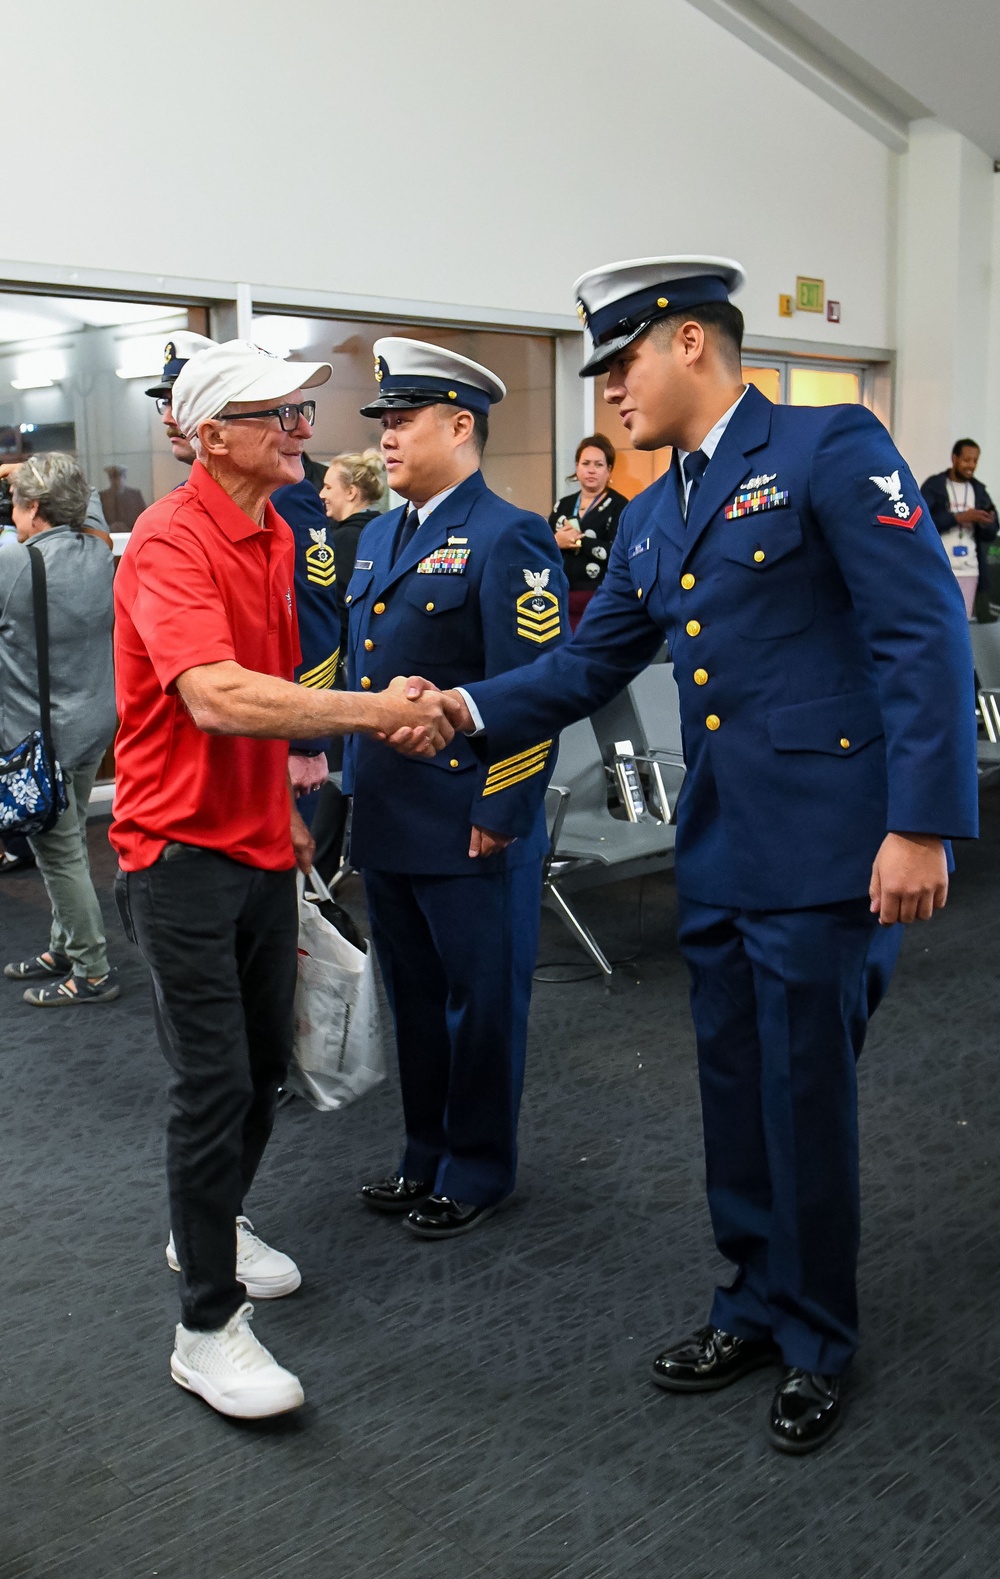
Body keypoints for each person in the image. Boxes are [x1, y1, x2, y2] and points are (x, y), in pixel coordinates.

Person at [400, 257, 977, 1452]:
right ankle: (751, 1299)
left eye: (619, 364)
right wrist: (460, 709)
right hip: (718, 849)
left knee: (802, 1096)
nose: (606, 391)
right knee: (733, 1096)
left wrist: (920, 822)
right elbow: (585, 665)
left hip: (828, 851)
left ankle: (817, 1333)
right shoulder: (660, 511)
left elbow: (919, 632)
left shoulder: (827, 447)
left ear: (690, 345)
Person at [111, 339, 454, 1420]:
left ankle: (206, 1216)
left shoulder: (271, 529)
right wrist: (378, 711)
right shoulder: (170, 542)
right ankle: (205, 1327)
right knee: (212, 1084)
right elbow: (218, 697)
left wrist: (295, 814)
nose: (307, 433)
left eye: (307, 415)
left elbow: (277, 691)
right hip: (176, 856)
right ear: (213, 435)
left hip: (256, 843)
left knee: (263, 1074)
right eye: (282, 417)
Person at [347, 338, 568, 1239]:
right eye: (386, 423)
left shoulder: (507, 533)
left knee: (480, 1003)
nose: (388, 439)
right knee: (413, 996)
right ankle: (423, 1153)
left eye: (403, 421)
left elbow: (539, 688)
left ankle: (477, 1167)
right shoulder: (377, 533)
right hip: (390, 813)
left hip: (469, 816)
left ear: (461, 425)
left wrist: (504, 805)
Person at [0, 453, 119, 1003]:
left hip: (40, 742)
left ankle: (92, 968)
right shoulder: (98, 551)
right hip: (92, 725)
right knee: (64, 835)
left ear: (35, 509)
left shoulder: (14, 564)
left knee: (60, 852)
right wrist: (32, 471)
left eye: (16, 504)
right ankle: (65, 945)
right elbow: (85, 497)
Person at [549, 433, 627, 629]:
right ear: (577, 467)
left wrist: (579, 542)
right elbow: (544, 546)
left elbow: (618, 553)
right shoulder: (563, 506)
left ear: (609, 470)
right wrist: (556, 541)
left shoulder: (619, 506)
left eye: (599, 465)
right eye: (586, 463)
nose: (591, 470)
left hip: (601, 599)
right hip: (560, 598)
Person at [921, 440, 998, 620]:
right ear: (954, 458)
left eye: (975, 461)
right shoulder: (934, 486)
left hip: (970, 569)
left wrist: (987, 523)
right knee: (939, 621)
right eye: (966, 460)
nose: (971, 465)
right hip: (940, 567)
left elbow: (991, 533)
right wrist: (958, 518)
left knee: (963, 624)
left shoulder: (979, 490)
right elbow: (923, 523)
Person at [145, 331, 218, 467]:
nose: (166, 419)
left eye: (182, 403)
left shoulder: (266, 486)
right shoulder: (187, 489)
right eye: (167, 402)